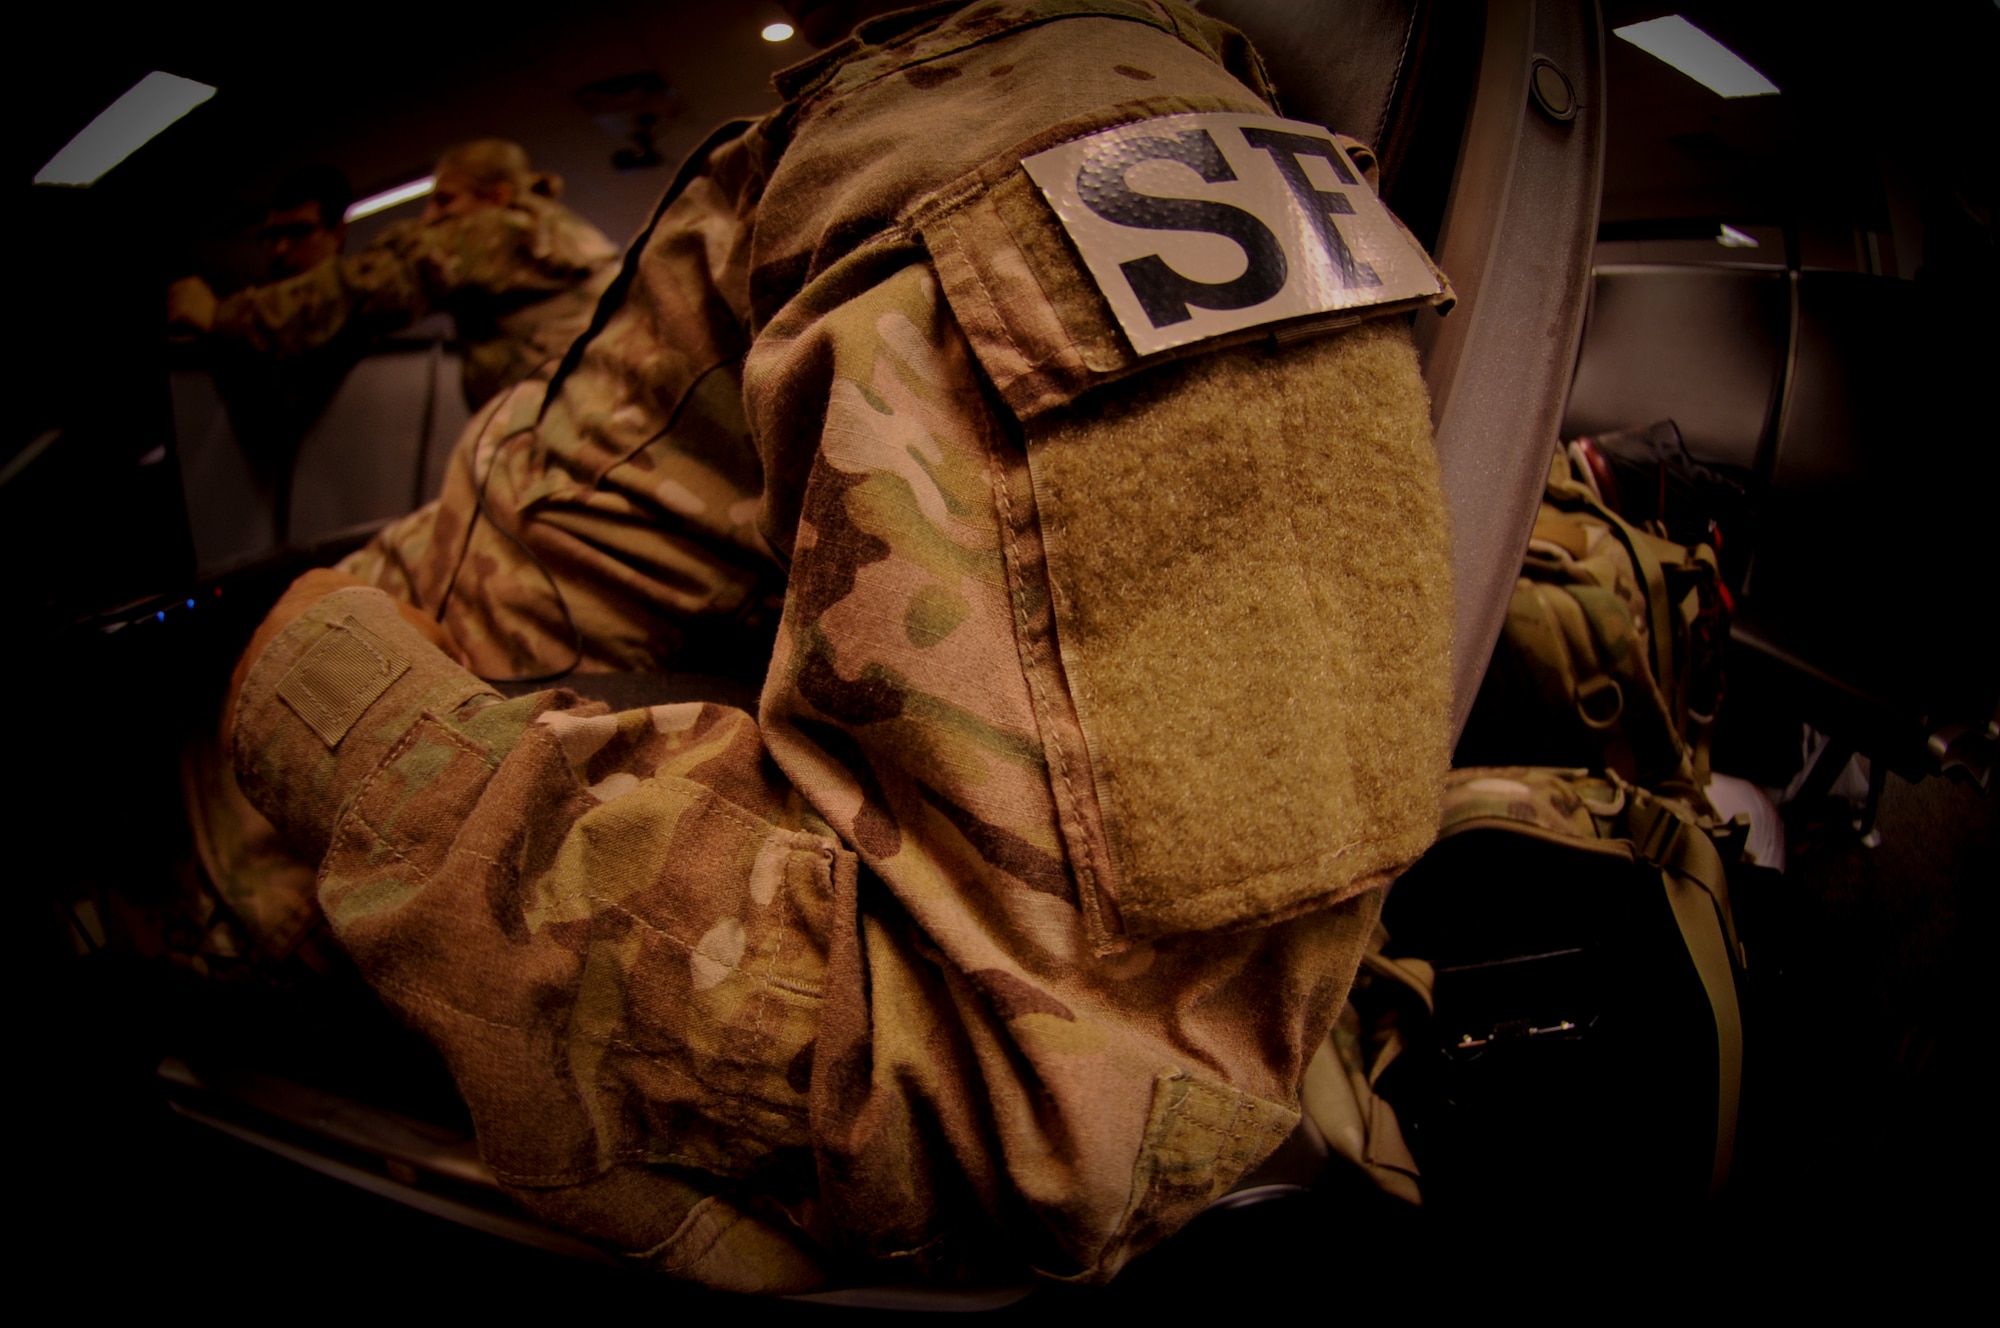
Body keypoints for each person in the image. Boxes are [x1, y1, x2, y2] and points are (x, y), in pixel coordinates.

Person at [218, 0, 1454, 1292]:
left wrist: (356, 739)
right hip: (381, 764)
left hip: (297, 857)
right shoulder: (916, 109)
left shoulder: (1053, 124)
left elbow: (1053, 1105)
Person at [169, 140, 619, 411]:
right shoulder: (564, 233)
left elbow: (370, 285)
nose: (430, 218)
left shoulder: (498, 231)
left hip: (564, 439)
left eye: (445, 201)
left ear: (498, 196)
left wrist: (224, 315)